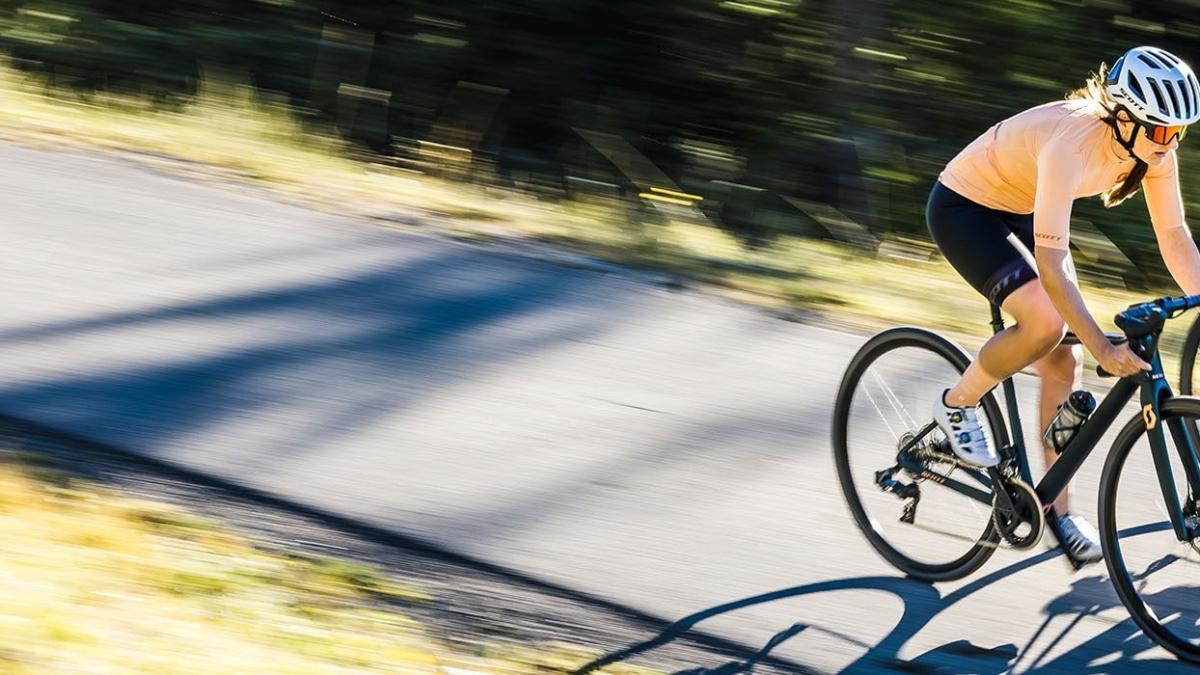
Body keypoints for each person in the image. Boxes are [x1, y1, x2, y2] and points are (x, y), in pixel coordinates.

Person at [926, 46, 1200, 565]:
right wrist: (1103, 348)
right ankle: (957, 404)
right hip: (967, 208)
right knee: (1046, 324)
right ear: (1125, 118)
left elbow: (1174, 237)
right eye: (1162, 130)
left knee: (1063, 361)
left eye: (1179, 132)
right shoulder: (1070, 145)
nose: (1170, 143)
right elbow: (1051, 267)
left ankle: (1056, 509)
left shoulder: (1153, 152)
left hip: (1024, 208)